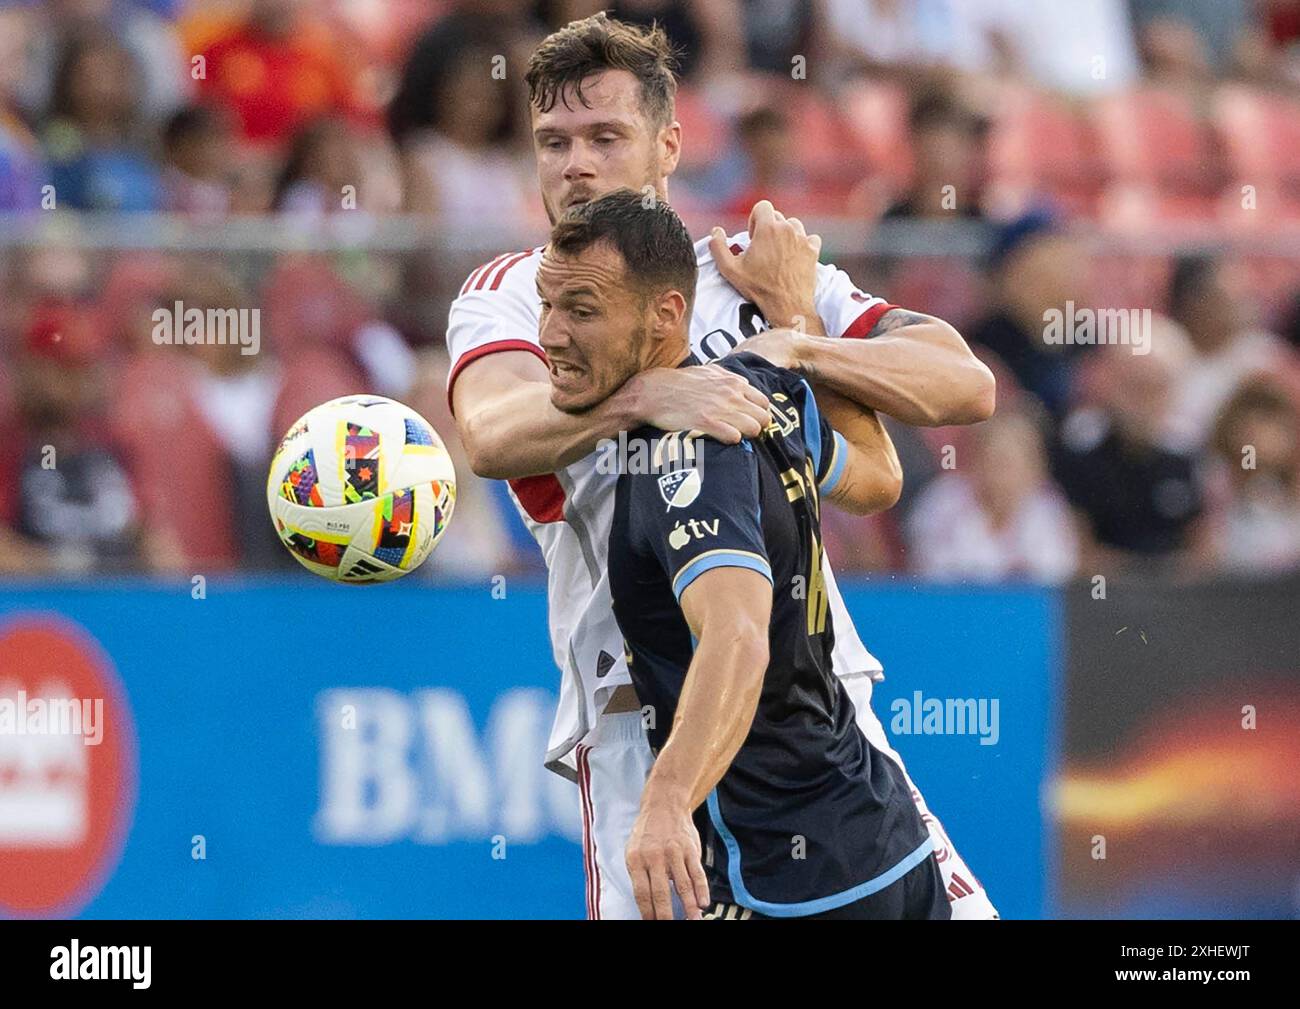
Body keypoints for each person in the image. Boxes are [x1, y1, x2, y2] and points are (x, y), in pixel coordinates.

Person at [444, 13, 997, 919]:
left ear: (669, 145)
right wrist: (645, 397)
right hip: (641, 721)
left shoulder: (750, 270)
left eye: (604, 137)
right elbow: (492, 432)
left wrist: (797, 343)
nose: (575, 164)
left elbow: (957, 387)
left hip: (816, 706)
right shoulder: (516, 294)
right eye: (553, 142)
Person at [541, 191, 946, 919]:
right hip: (881, 834)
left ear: (665, 315)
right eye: (548, 305)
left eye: (581, 310)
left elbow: (737, 635)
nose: (551, 334)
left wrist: (665, 802)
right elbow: (879, 475)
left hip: (795, 871)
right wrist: (796, 328)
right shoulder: (761, 389)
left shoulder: (686, 449)